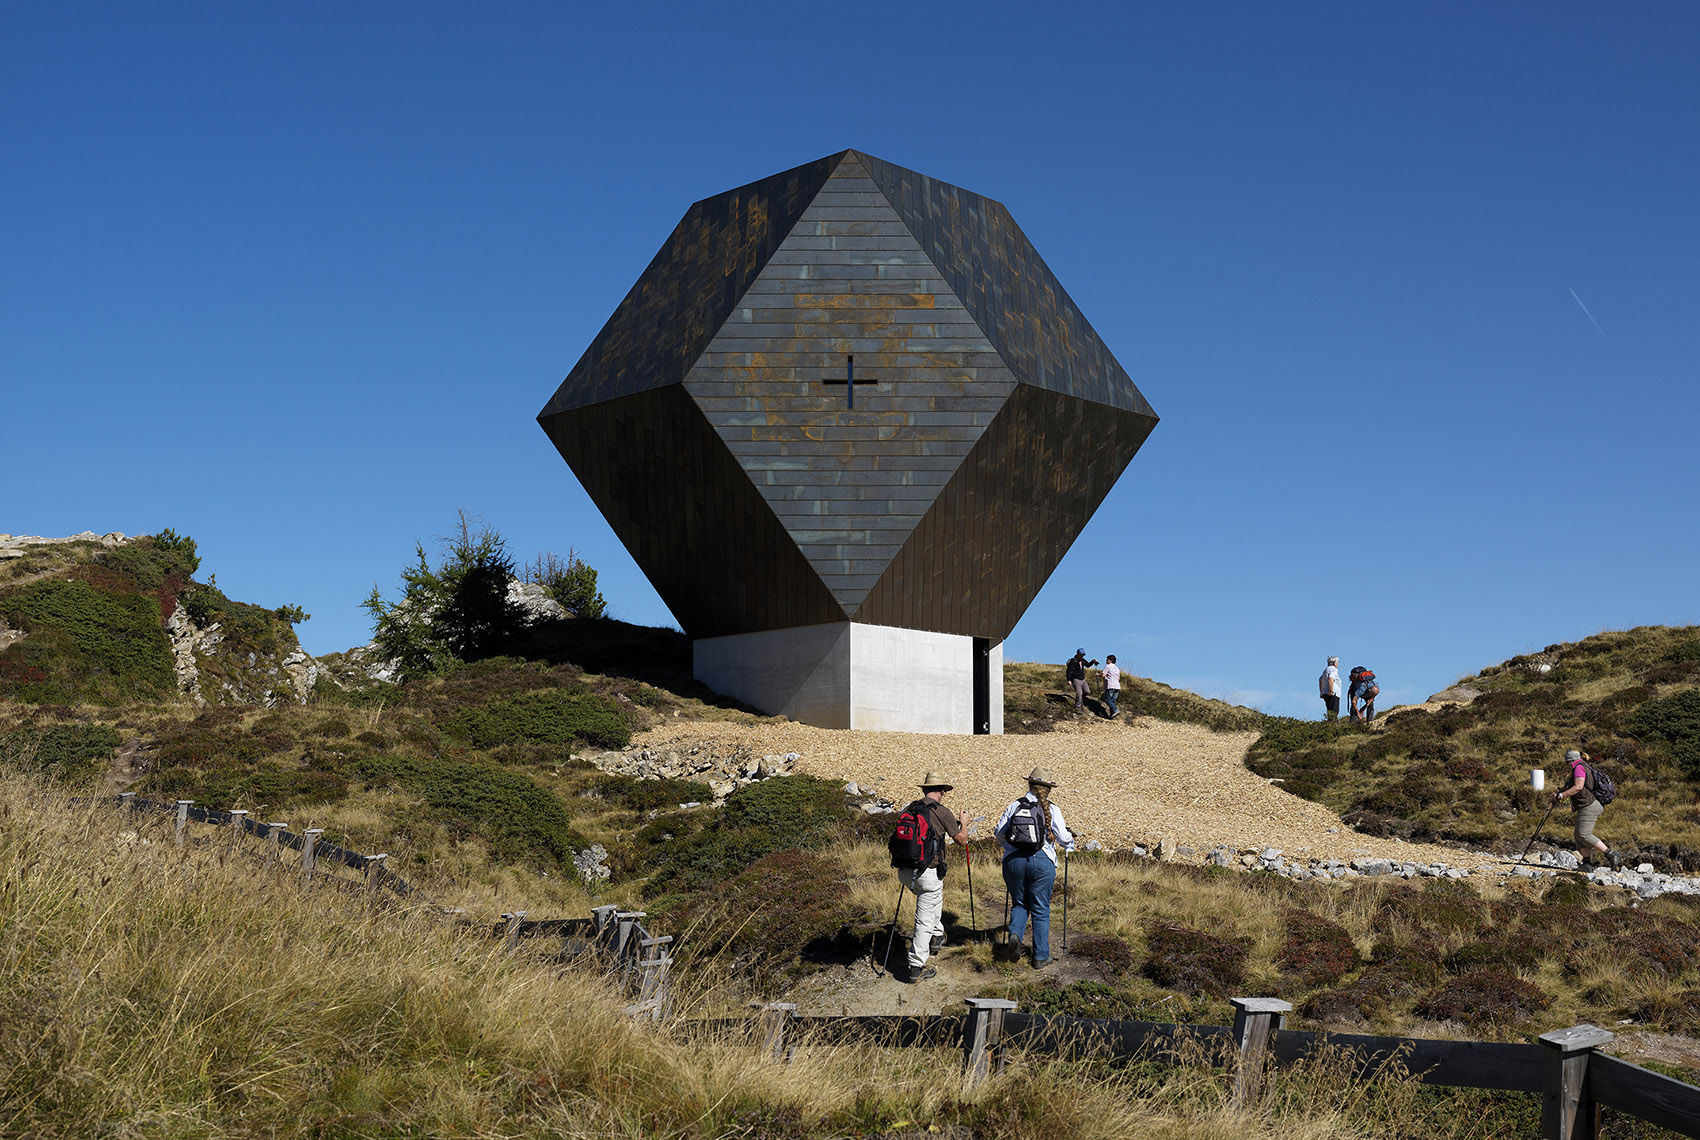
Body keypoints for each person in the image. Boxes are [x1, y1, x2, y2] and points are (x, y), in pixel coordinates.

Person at [994, 767, 1076, 969]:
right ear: (1049, 789)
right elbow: (1064, 838)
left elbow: (999, 832)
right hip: (1042, 862)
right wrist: (1070, 844)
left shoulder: (1015, 805)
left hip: (1013, 861)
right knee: (1040, 909)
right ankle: (1040, 956)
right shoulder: (1052, 809)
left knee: (1020, 903)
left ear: (1029, 784)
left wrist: (1009, 847)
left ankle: (1015, 935)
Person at [896, 772, 968, 983]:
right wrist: (964, 822)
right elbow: (962, 840)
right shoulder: (943, 812)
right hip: (927, 872)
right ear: (941, 791)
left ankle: (937, 937)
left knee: (935, 895)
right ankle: (916, 967)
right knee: (924, 919)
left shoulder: (910, 808)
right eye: (943, 791)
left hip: (906, 871)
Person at [1555, 749, 1623, 870]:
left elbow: (1579, 787)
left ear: (1570, 761)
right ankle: (1586, 864)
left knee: (1584, 834)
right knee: (1578, 836)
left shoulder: (1579, 768)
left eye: (1567, 762)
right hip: (1586, 804)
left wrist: (1561, 795)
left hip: (1589, 805)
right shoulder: (1584, 767)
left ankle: (1610, 853)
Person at [1319, 656, 1340, 721]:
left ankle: (1330, 726)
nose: (1338, 663)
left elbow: (1320, 680)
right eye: (1337, 662)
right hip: (1333, 694)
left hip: (1326, 693)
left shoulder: (1326, 670)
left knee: (1330, 711)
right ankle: (1333, 727)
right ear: (1334, 663)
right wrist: (1331, 691)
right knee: (1334, 711)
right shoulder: (1333, 669)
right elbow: (1331, 678)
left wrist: (1322, 691)